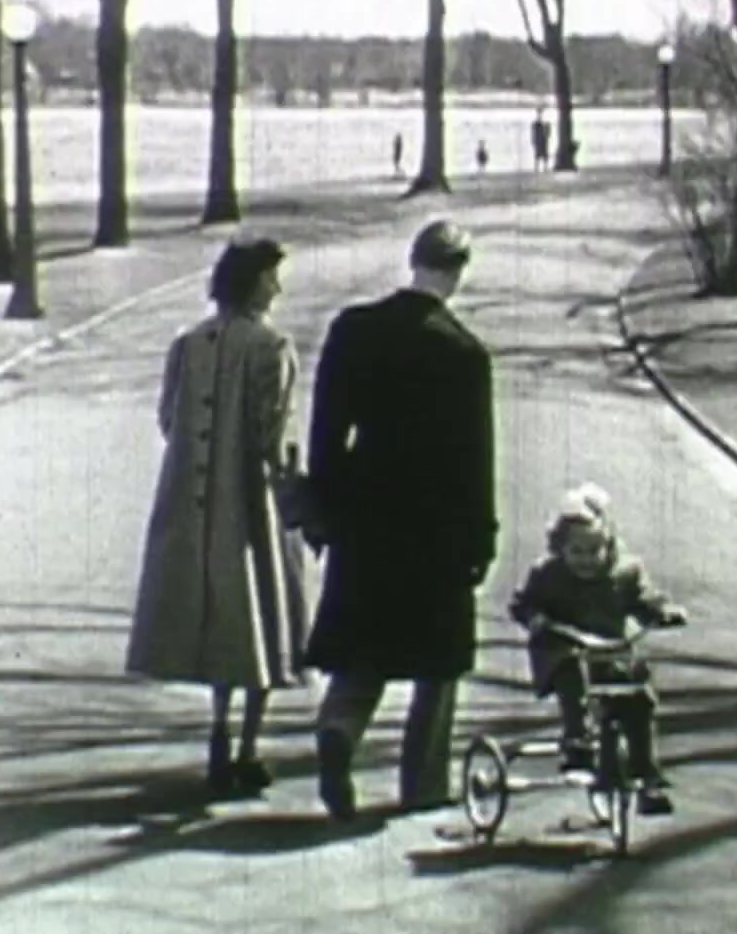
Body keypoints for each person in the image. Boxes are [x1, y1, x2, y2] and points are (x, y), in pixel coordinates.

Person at [303, 220, 497, 822]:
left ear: (413, 262)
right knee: (437, 661)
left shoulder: (353, 330)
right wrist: (479, 537)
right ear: (458, 272)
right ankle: (423, 782)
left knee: (363, 645)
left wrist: (324, 506)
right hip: (435, 518)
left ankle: (339, 727)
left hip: (367, 509)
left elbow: (327, 430)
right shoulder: (464, 351)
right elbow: (476, 454)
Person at [125, 236, 309, 796]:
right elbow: (271, 436)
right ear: (254, 281)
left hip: (190, 503)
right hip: (250, 502)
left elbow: (167, 419)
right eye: (272, 277)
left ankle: (218, 731)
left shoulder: (187, 344)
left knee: (216, 618)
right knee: (263, 617)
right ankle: (247, 747)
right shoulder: (271, 347)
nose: (277, 288)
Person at [507, 483, 687, 816]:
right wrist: (535, 618)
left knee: (639, 698)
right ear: (560, 548)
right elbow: (522, 604)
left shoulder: (625, 571)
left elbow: (645, 599)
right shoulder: (548, 574)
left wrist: (662, 612)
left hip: (610, 650)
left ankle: (645, 773)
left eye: (594, 551)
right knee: (574, 676)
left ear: (609, 545)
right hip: (563, 648)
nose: (586, 560)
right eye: (576, 551)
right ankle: (577, 744)